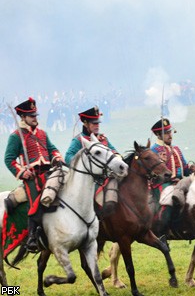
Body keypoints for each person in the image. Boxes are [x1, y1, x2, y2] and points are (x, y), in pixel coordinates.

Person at [4, 97, 64, 252]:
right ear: (23, 117)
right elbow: (9, 159)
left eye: (35, 115)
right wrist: (23, 172)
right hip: (32, 178)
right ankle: (32, 237)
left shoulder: (42, 134)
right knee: (35, 200)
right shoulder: (16, 136)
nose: (35, 118)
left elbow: (52, 149)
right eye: (31, 116)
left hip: (49, 173)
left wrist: (56, 158)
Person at [65, 106, 120, 215]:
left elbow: (114, 151)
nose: (97, 125)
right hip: (90, 180)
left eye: (98, 123)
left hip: (106, 176)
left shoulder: (102, 139)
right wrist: (81, 163)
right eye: (94, 123)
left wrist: (118, 159)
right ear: (85, 124)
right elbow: (68, 157)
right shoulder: (78, 140)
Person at [150, 118, 195, 239]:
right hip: (164, 184)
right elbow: (152, 173)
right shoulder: (153, 151)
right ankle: (162, 231)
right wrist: (162, 162)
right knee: (169, 201)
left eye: (170, 132)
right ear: (158, 134)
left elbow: (185, 169)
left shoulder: (176, 149)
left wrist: (191, 169)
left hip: (181, 183)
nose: (170, 135)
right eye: (166, 133)